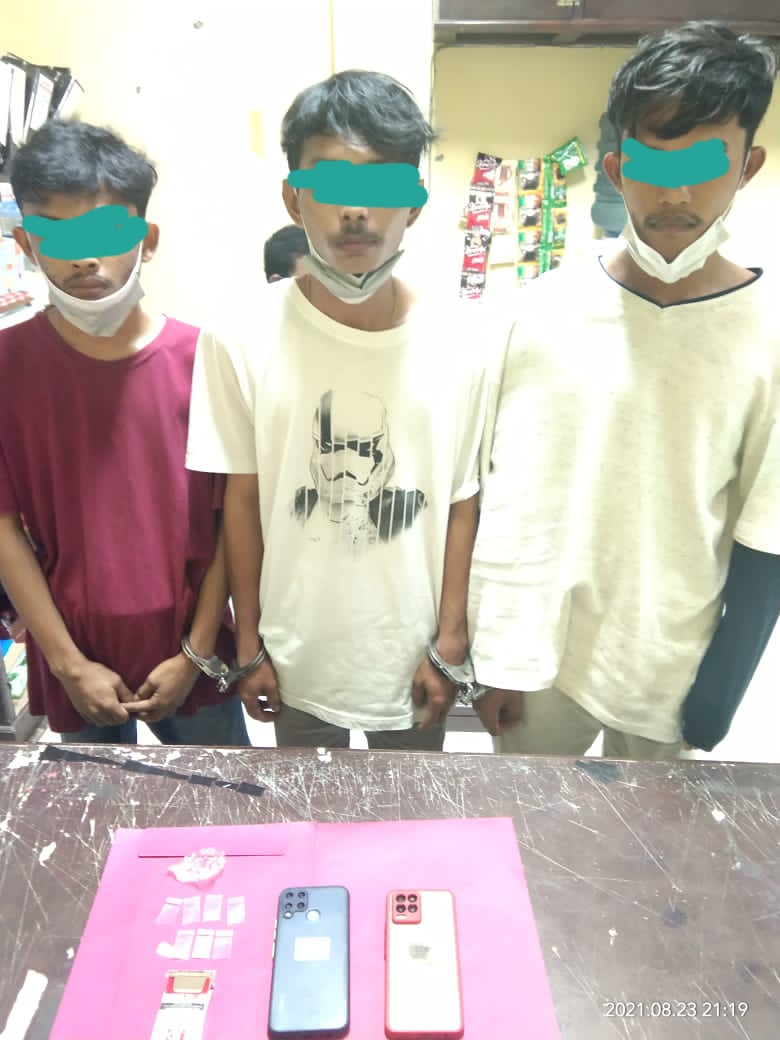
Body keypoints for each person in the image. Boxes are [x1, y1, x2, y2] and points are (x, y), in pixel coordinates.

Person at [469, 22, 780, 760]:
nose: (675, 191)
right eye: (652, 162)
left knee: (648, 835)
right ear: (615, 167)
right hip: (541, 660)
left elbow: (766, 533)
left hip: (671, 661)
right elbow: (504, 499)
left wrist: (719, 693)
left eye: (705, 162)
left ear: (748, 166)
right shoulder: (536, 311)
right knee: (536, 825)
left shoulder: (767, 333)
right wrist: (498, 654)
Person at [186, 70, 495, 751]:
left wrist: (449, 642)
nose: (356, 211)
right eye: (330, 185)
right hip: (295, 655)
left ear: (414, 202)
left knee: (408, 808)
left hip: (412, 657)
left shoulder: (466, 339)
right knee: (309, 806)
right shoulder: (237, 336)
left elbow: (462, 501)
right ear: (293, 199)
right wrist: (250, 641)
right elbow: (243, 499)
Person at [0, 119, 249, 746]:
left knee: (218, 799)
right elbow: (3, 528)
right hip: (74, 656)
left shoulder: (205, 362)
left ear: (147, 239)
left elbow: (234, 521)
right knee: (96, 807)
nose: (85, 257)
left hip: (194, 656)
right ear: (26, 243)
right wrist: (68, 664)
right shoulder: (7, 369)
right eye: (58, 234)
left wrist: (195, 653)